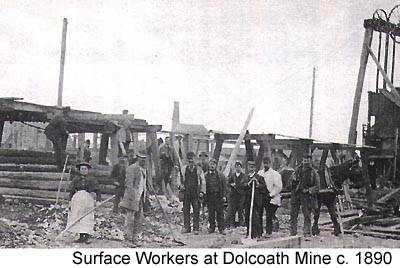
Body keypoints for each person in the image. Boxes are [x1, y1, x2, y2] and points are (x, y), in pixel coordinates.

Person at [67, 162, 101, 244]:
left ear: (88, 170)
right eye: (82, 169)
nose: (84, 170)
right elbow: (71, 191)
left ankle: (87, 236)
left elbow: (98, 190)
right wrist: (70, 201)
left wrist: (98, 200)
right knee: (78, 216)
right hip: (77, 199)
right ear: (79, 170)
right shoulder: (76, 179)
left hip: (88, 198)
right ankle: (81, 236)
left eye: (85, 169)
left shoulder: (92, 179)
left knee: (87, 216)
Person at [120, 152, 148, 245]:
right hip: (132, 197)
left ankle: (135, 238)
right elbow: (128, 184)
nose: (143, 160)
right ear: (138, 158)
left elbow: (143, 184)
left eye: (144, 159)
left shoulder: (143, 169)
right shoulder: (132, 168)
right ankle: (127, 239)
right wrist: (132, 197)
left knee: (138, 219)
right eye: (141, 158)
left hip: (140, 197)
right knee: (130, 219)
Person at [290, 154, 320, 238]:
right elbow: (290, 183)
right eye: (304, 160)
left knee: (307, 215)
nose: (306, 162)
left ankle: (307, 233)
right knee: (293, 214)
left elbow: (317, 187)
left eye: (307, 160)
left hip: (307, 197)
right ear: (302, 160)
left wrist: (308, 190)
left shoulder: (314, 173)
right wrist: (293, 180)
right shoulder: (296, 171)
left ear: (310, 161)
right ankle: (293, 232)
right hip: (296, 195)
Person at [311, 156, 341, 236]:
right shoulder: (313, 171)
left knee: (331, 211)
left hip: (327, 192)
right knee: (317, 211)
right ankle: (315, 227)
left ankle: (336, 227)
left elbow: (330, 179)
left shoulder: (326, 169)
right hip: (318, 193)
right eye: (316, 161)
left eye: (318, 161)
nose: (317, 163)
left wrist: (333, 187)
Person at [179, 152, 206, 234]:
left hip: (195, 192)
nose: (191, 162)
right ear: (187, 161)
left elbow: (203, 181)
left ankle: (196, 228)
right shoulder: (183, 169)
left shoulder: (199, 170)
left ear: (195, 160)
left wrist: (202, 191)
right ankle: (186, 227)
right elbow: (179, 179)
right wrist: (180, 186)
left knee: (196, 210)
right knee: (186, 210)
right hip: (186, 192)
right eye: (189, 160)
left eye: (192, 160)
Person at [258, 156, 282, 236]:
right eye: (264, 163)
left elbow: (278, 186)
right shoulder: (260, 173)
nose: (266, 165)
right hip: (262, 196)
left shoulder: (275, 174)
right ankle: (259, 231)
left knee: (269, 215)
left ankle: (269, 232)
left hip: (271, 197)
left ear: (270, 163)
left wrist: (271, 194)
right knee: (259, 214)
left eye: (267, 163)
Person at [244, 160, 267, 239]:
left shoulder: (260, 177)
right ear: (247, 167)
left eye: (252, 167)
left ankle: (257, 234)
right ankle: (249, 233)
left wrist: (257, 184)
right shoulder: (246, 177)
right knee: (248, 216)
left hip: (256, 201)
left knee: (256, 217)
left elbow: (264, 188)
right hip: (248, 200)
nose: (251, 169)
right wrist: (249, 183)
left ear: (255, 168)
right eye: (249, 167)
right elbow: (242, 186)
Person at [205, 158, 227, 235]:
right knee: (211, 213)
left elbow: (224, 186)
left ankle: (221, 228)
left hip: (218, 196)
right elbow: (204, 186)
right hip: (210, 197)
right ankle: (212, 227)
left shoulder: (221, 175)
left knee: (220, 213)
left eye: (213, 164)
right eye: (211, 164)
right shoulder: (206, 175)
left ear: (216, 166)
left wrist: (224, 196)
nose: (212, 166)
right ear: (209, 165)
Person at [226, 161, 248, 228]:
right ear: (235, 168)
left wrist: (243, 186)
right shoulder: (232, 175)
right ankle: (232, 224)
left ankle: (241, 224)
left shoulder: (244, 176)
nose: (238, 168)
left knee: (240, 210)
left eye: (239, 167)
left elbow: (246, 184)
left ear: (241, 168)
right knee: (233, 210)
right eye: (237, 167)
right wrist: (231, 184)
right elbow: (228, 183)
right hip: (233, 195)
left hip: (241, 196)